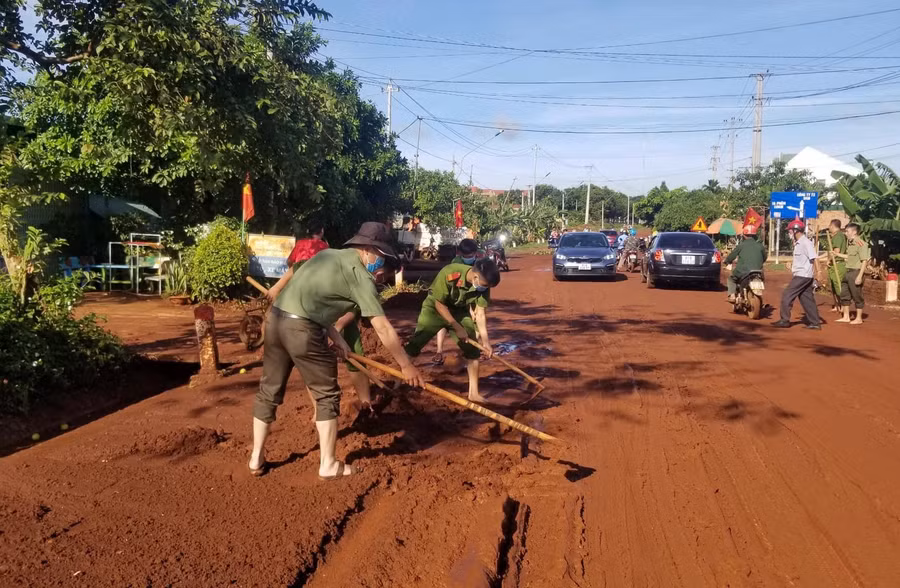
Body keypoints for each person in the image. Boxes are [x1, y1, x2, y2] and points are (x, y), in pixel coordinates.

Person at [249, 222, 425, 479]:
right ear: (368, 250)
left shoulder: (327, 255)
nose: (381, 268)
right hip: (302, 330)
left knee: (269, 391)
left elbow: (311, 300)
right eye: (382, 258)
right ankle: (329, 464)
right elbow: (382, 327)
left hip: (275, 321)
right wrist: (406, 365)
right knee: (327, 395)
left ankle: (256, 458)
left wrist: (338, 338)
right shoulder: (360, 276)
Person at [405, 258, 501, 404]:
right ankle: (397, 383)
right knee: (415, 345)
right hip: (434, 309)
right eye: (485, 285)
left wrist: (486, 342)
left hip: (459, 312)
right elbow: (439, 304)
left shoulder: (484, 286)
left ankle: (474, 394)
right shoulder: (450, 272)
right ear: (475, 277)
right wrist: (457, 327)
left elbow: (480, 313)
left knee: (473, 352)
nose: (485, 288)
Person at [434, 239, 481, 364]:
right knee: (443, 322)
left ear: (475, 252)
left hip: (468, 297)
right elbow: (455, 287)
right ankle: (439, 351)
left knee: (475, 322)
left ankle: (468, 350)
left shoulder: (478, 264)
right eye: (465, 256)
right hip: (451, 297)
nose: (468, 258)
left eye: (471, 255)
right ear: (460, 253)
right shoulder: (456, 263)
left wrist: (473, 308)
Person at [772, 223, 822, 330]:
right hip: (804, 275)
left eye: (790, 230)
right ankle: (815, 323)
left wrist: (819, 272)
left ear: (796, 230)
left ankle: (784, 320)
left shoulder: (805, 243)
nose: (789, 233)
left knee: (787, 295)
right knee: (806, 298)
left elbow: (814, 258)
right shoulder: (798, 243)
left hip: (802, 276)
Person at [835, 223, 871, 325]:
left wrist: (860, 276)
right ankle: (846, 317)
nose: (846, 233)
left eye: (847, 231)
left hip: (856, 272)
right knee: (844, 294)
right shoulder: (850, 244)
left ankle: (858, 318)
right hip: (848, 271)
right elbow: (849, 257)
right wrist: (836, 254)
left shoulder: (861, 244)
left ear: (854, 232)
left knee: (857, 295)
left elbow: (864, 261)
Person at [724, 224, 767, 302]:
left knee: (731, 279)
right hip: (758, 272)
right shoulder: (760, 246)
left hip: (743, 272)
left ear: (744, 235)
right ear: (755, 235)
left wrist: (727, 261)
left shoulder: (741, 245)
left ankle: (732, 296)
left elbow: (731, 256)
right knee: (762, 279)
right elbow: (764, 258)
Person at [818, 219, 847, 313]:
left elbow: (836, 252)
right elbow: (829, 252)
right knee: (833, 286)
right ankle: (837, 305)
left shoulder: (838, 236)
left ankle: (843, 306)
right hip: (832, 265)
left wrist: (829, 260)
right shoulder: (834, 236)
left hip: (838, 264)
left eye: (830, 226)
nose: (829, 228)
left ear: (833, 226)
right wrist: (818, 257)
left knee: (838, 286)